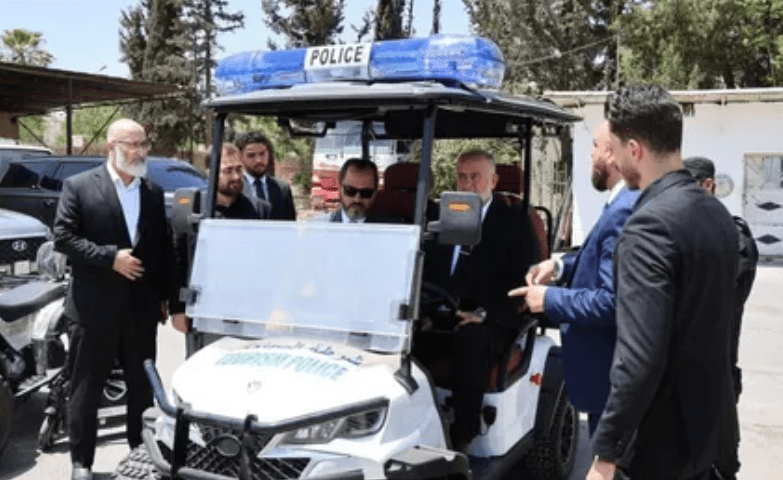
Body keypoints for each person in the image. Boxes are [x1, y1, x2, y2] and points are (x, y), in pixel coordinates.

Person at [587, 85, 739, 480]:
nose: (615, 160)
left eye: (616, 149)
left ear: (634, 149)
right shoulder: (716, 214)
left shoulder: (648, 227)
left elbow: (638, 357)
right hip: (711, 437)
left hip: (662, 449)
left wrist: (606, 454)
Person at [53, 119, 186, 480]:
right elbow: (63, 237)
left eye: (144, 144)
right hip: (93, 309)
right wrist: (110, 257)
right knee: (86, 390)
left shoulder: (152, 192)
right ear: (112, 147)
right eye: (132, 144)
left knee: (141, 390)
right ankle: (82, 464)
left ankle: (141, 457)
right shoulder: (80, 186)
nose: (140, 151)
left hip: (140, 311)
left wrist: (174, 303)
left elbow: (163, 252)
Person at [508, 120, 639, 436]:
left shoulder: (624, 209)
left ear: (611, 154)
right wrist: (559, 266)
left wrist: (548, 298)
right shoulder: (620, 202)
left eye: (595, 146)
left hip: (606, 373)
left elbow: (612, 300)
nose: (591, 155)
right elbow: (599, 258)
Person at [417, 149, 539, 451]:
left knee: (470, 340)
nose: (468, 184)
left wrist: (484, 312)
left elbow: (521, 281)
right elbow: (426, 270)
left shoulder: (515, 223)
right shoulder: (442, 217)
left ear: (493, 181)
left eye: (476, 177)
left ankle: (463, 438)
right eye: (462, 177)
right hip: (441, 312)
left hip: (491, 318)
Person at [684, 155, 758, 479]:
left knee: (717, 466)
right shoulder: (683, 232)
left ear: (708, 186)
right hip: (681, 380)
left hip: (716, 378)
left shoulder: (734, 236)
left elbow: (723, 298)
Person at [236, 131, 296, 220]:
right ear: (240, 157)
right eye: (251, 155)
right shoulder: (235, 188)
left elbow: (290, 224)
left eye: (262, 154)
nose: (258, 160)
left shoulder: (283, 189)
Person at [215, 143, 271, 219]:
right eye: (228, 171)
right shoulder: (200, 207)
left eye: (239, 169)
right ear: (210, 173)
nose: (236, 177)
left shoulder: (260, 210)